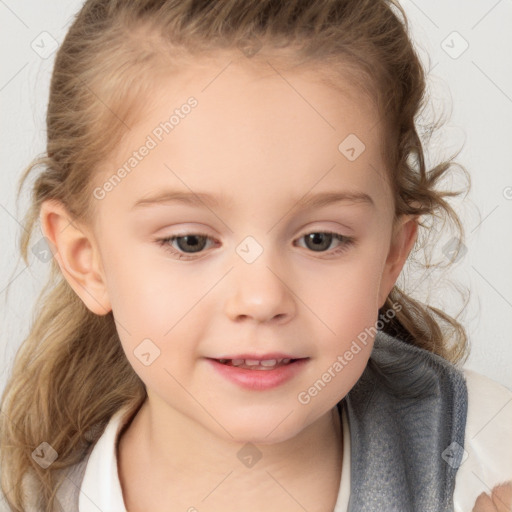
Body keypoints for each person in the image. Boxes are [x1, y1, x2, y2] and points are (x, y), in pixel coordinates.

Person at [1, 1, 511, 511]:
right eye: (190, 242)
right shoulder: (23, 494)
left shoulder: (492, 460)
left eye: (320, 239)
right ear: (84, 259)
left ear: (390, 257)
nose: (262, 298)